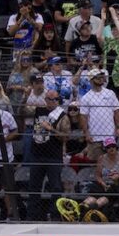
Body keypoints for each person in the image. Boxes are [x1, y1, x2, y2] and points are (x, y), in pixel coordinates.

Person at [27, 88, 70, 220]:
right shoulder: (38, 110)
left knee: (55, 187)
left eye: (55, 99)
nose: (52, 101)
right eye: (49, 99)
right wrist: (25, 97)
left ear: (58, 100)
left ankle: (55, 216)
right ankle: (32, 217)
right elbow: (22, 112)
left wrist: (51, 129)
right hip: (37, 155)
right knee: (34, 187)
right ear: (45, 99)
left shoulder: (62, 116)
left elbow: (66, 137)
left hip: (53, 156)